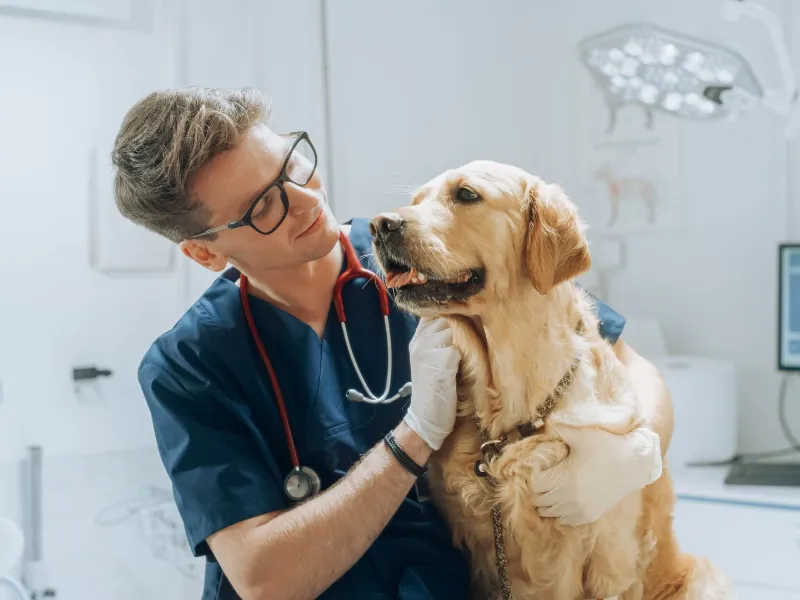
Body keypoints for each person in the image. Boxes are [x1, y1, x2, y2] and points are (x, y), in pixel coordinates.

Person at [111, 87, 673, 600]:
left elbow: (628, 365)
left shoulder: (431, 261)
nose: (305, 200)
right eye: (262, 207)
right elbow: (265, 578)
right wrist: (414, 437)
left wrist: (635, 449)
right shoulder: (189, 364)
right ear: (205, 252)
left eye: (292, 164)